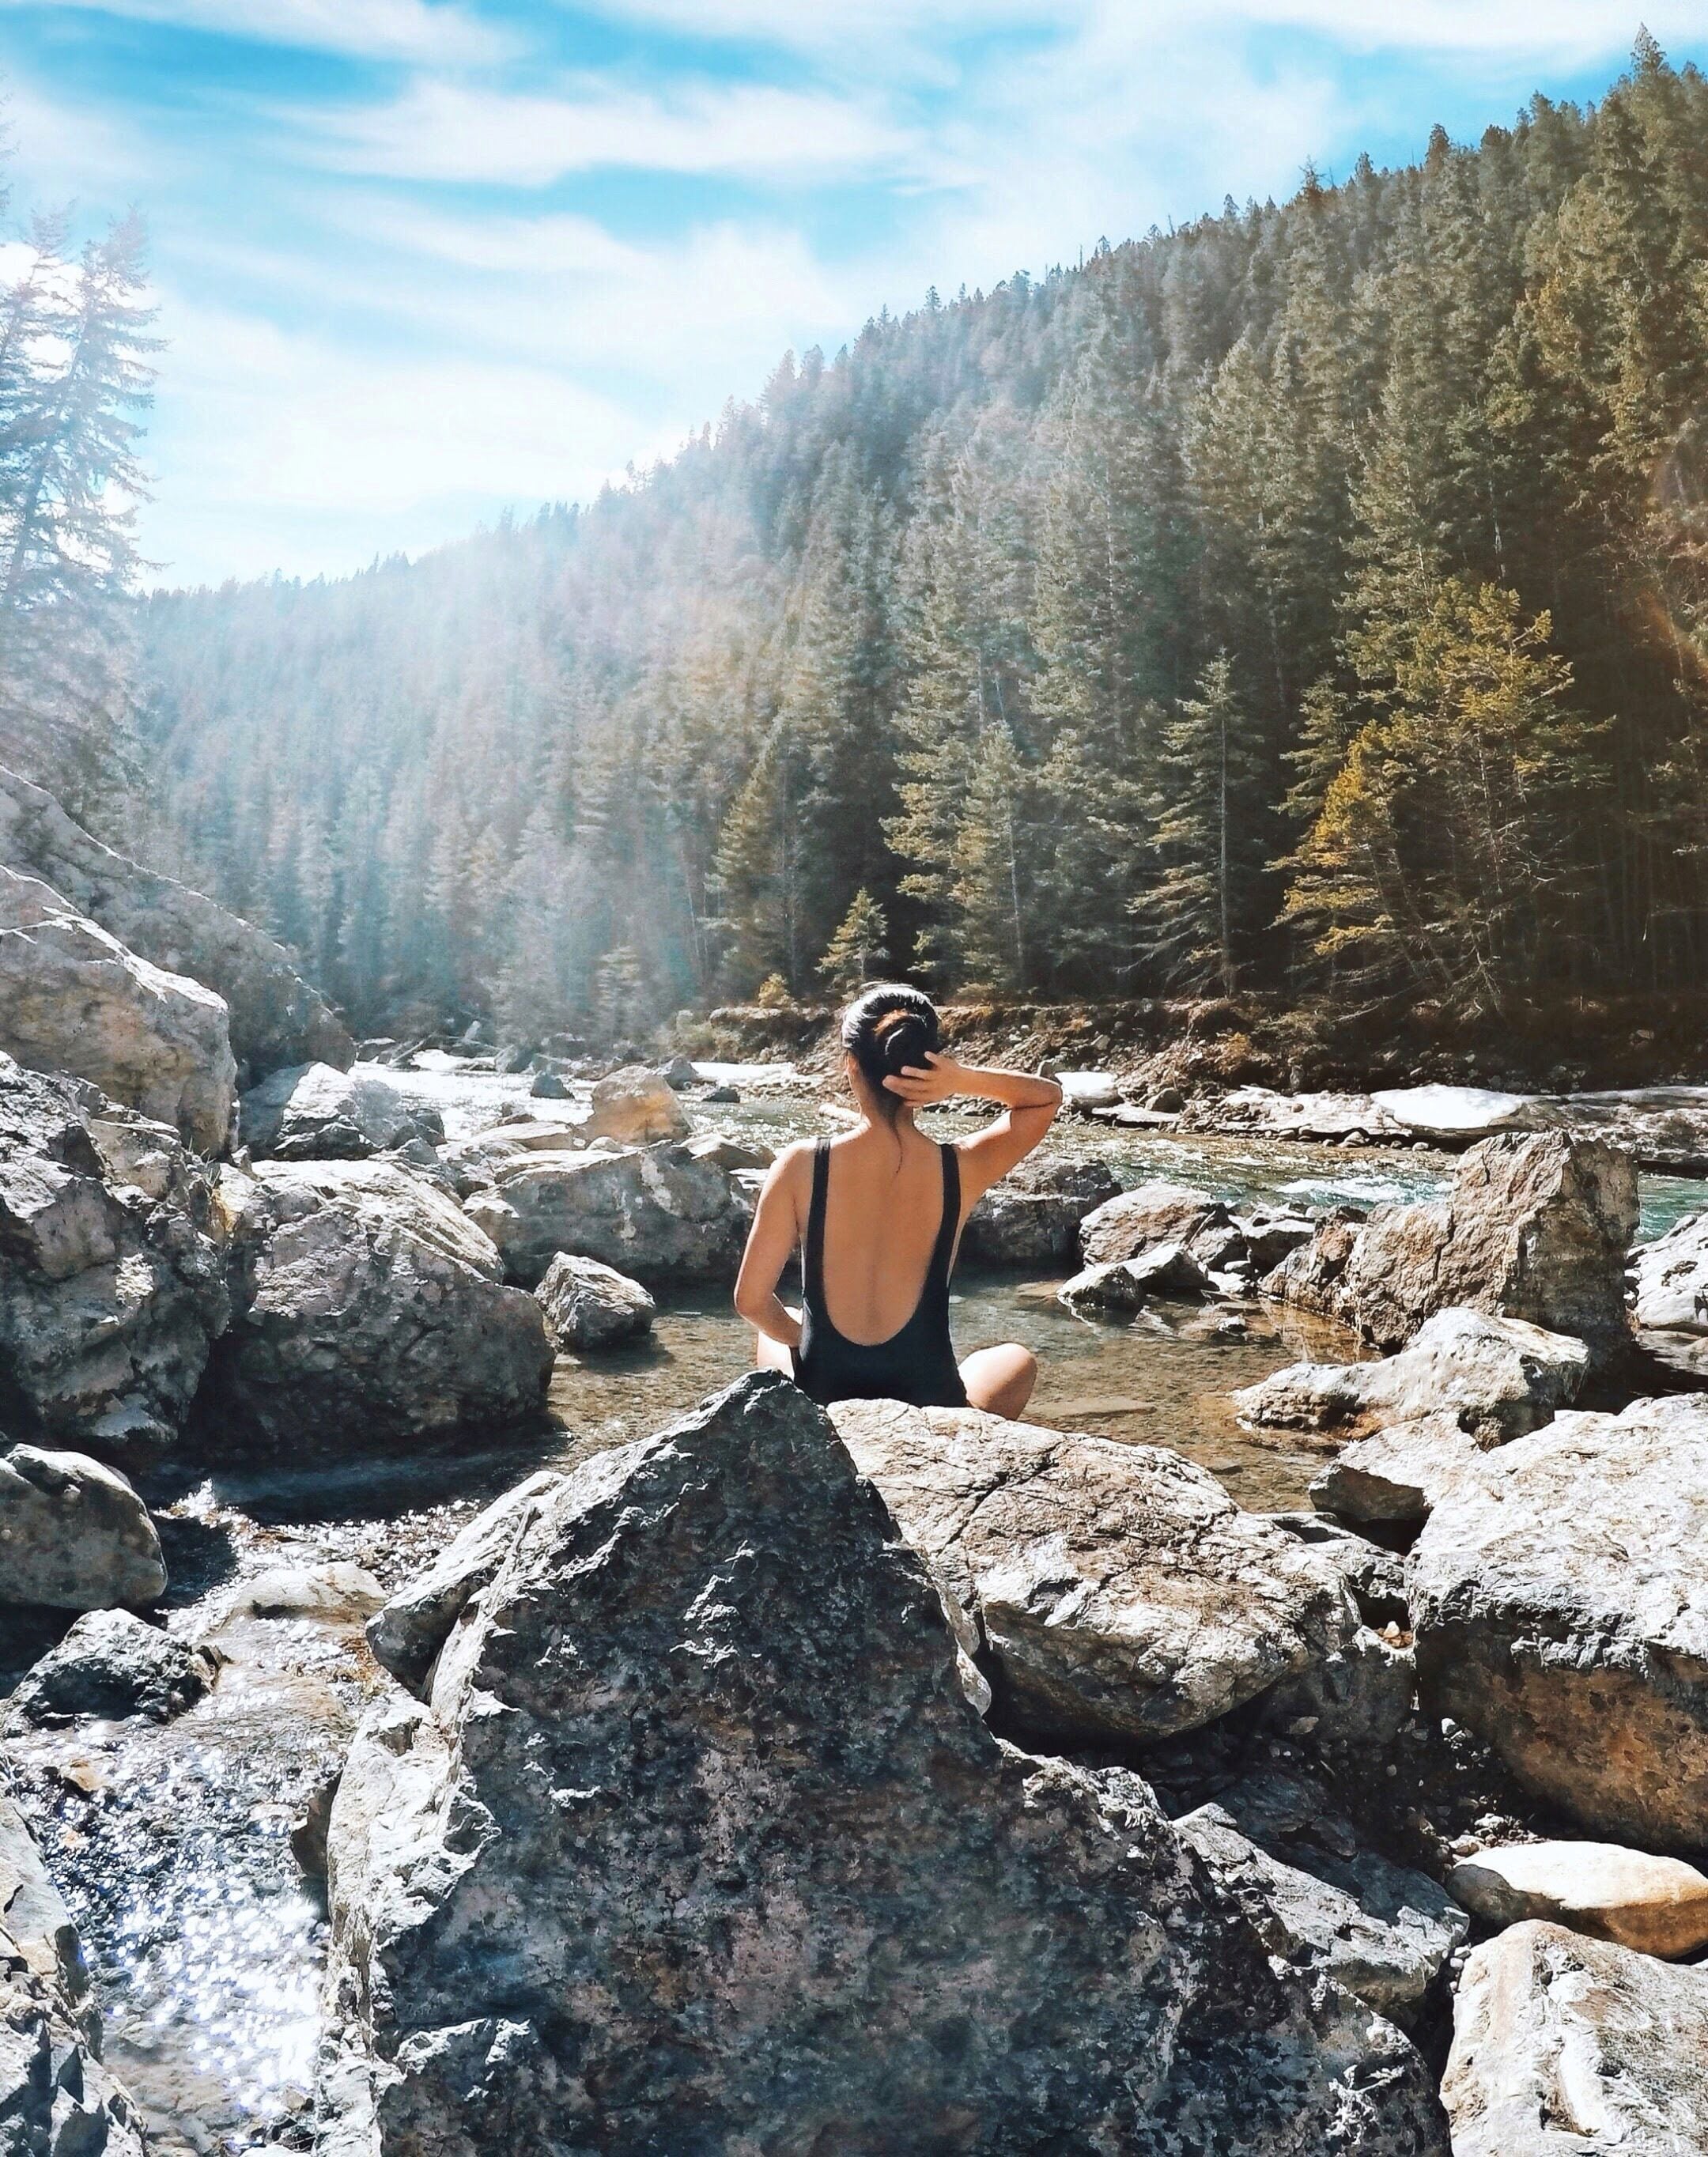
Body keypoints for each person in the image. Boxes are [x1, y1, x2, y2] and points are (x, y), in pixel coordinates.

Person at [734, 984, 1062, 1415]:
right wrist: (961, 1079)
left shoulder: (800, 1164)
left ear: (851, 1065)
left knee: (773, 1329)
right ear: (929, 1069)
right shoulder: (960, 1168)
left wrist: (802, 1336)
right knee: (1016, 1359)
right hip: (931, 1405)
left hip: (827, 1398)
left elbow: (751, 1300)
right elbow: (1046, 1099)